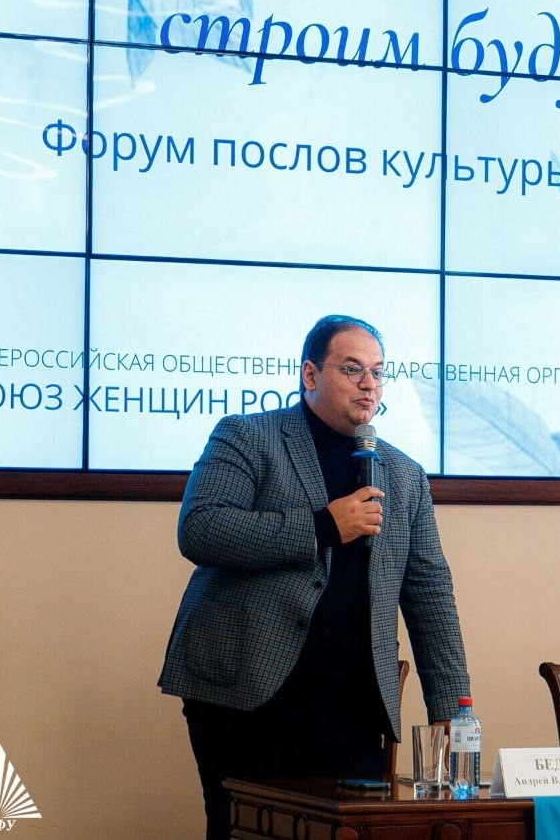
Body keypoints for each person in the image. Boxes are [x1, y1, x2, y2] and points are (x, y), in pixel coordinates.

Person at [158, 315, 470, 839]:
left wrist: (451, 707)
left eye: (377, 372)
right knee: (247, 833)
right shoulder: (248, 436)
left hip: (352, 707)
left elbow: (429, 593)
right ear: (310, 375)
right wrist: (324, 526)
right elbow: (202, 530)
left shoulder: (404, 475)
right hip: (247, 695)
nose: (369, 384)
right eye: (352, 369)